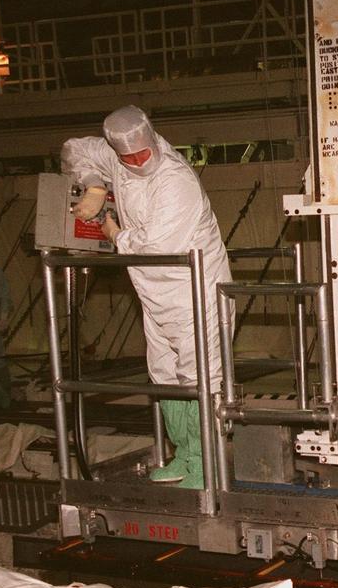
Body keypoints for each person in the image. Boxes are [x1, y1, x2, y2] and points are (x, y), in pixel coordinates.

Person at [61, 105, 232, 489]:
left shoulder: (175, 180)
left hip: (194, 291)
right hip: (153, 293)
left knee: (201, 376)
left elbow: (156, 244)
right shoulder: (116, 158)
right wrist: (94, 184)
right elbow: (74, 148)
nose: (137, 163)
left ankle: (208, 463)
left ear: (154, 140)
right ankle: (185, 456)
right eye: (128, 158)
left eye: (142, 154)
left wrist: (113, 233)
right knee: (165, 375)